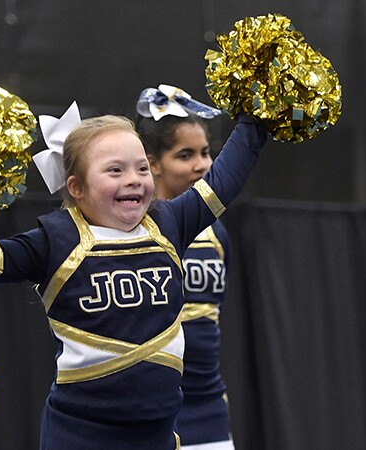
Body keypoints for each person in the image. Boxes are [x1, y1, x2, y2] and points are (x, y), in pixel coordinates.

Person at [0, 101, 267, 450]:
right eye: (115, 171)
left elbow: (224, 181)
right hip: (79, 438)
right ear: (76, 186)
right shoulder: (56, 240)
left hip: (156, 436)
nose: (133, 179)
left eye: (142, 168)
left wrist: (256, 116)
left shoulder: (168, 223)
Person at [135, 85, 236, 450]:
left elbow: (214, 318)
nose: (203, 165)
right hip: (153, 410)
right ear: (153, 163)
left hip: (208, 408)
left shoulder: (217, 233)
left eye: (207, 153)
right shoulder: (136, 232)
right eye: (186, 155)